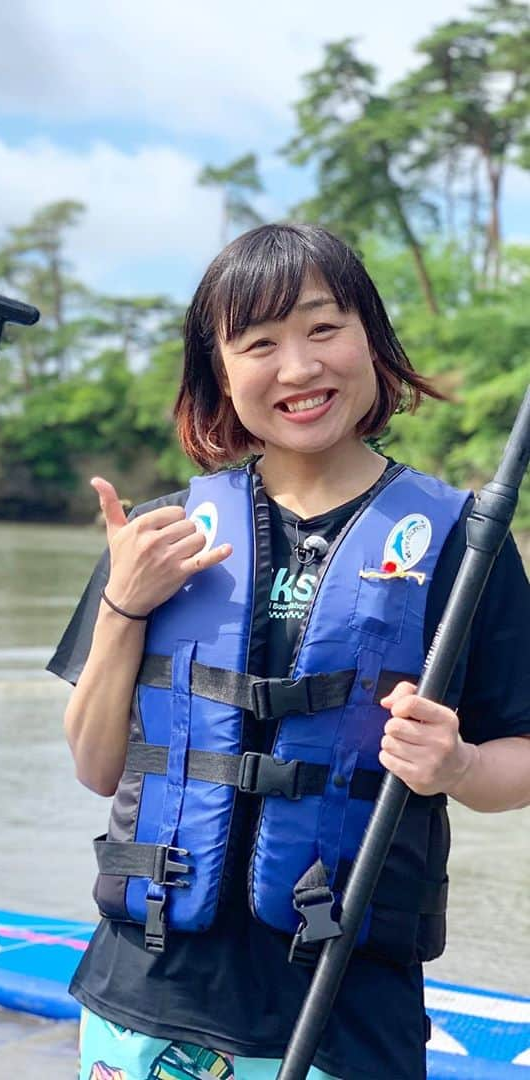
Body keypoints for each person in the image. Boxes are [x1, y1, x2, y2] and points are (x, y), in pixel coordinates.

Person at [49, 224, 530, 1080]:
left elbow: (521, 758)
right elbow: (96, 764)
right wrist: (124, 605)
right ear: (220, 375)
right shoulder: (158, 534)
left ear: (371, 341)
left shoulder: (465, 547)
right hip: (152, 991)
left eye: (323, 328)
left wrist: (455, 765)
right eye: (260, 344)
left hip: (345, 1007)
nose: (300, 369)